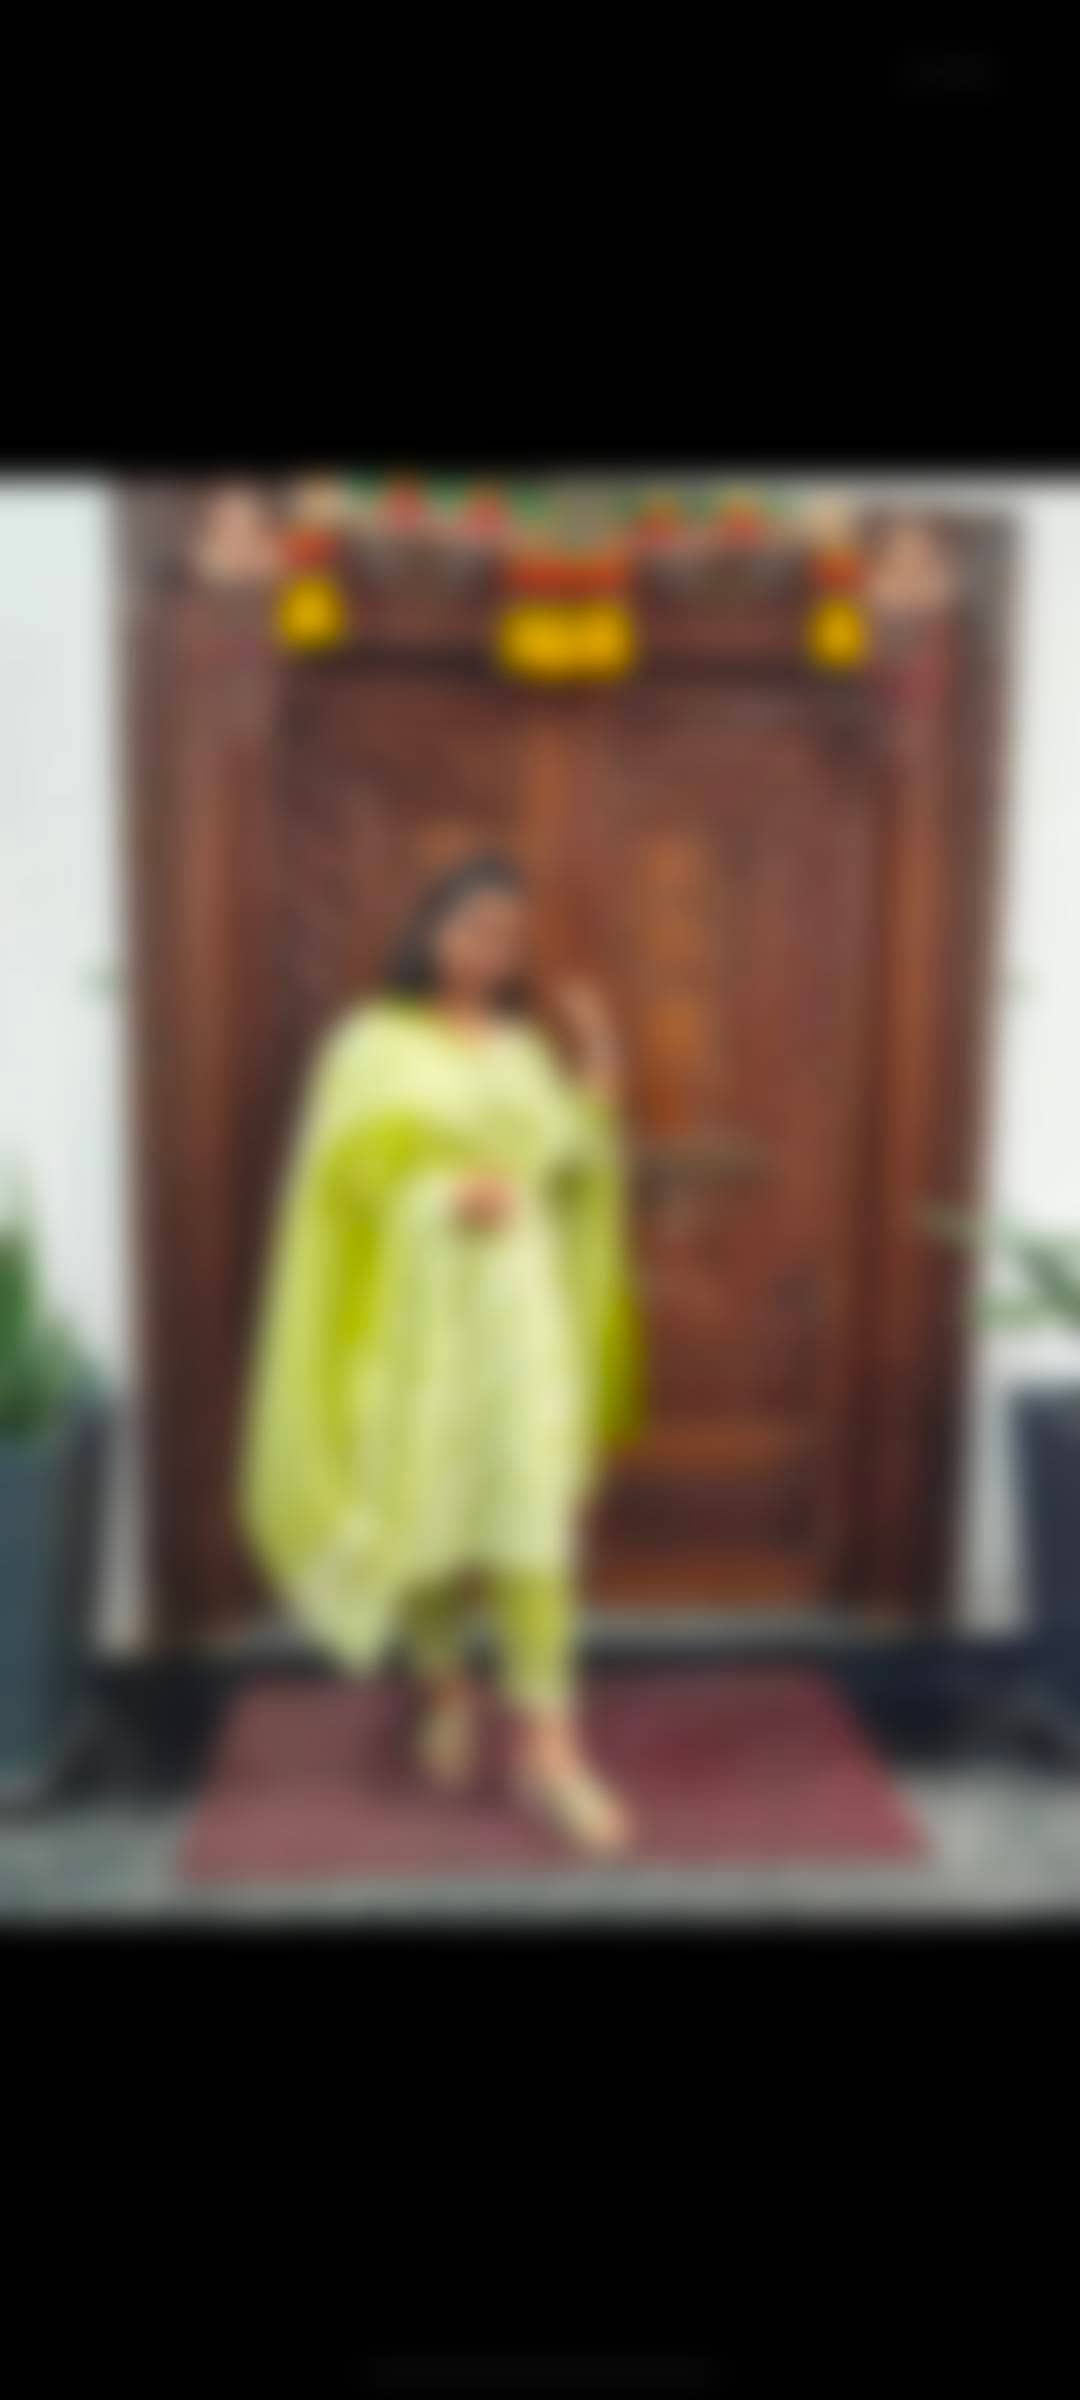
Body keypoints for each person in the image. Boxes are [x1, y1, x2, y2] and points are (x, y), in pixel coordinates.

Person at [236, 853, 643, 1855]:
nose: (490, 950)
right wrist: (441, 1196)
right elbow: (343, 1183)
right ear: (428, 932)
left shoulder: (520, 1052)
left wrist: (597, 1080)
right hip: (415, 1317)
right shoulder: (369, 1046)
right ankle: (444, 1686)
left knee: (530, 1516)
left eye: (509, 936)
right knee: (422, 1503)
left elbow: (560, 1156)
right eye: (473, 928)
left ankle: (550, 1752)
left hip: (519, 1313)